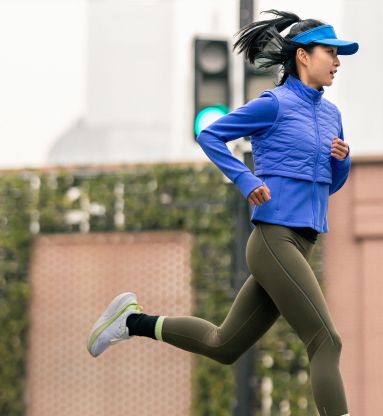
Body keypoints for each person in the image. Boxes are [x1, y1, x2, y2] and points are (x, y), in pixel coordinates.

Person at [87, 9, 358, 416]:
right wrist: (247, 181)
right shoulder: (274, 104)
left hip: (302, 242)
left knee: (223, 345)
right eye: (329, 52)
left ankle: (131, 321)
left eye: (340, 54)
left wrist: (342, 161)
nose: (337, 61)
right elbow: (210, 134)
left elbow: (329, 186)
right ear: (303, 55)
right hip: (274, 239)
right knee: (326, 340)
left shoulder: (331, 114)